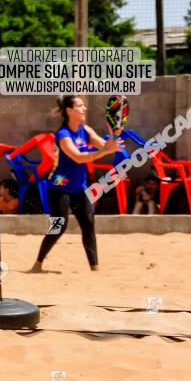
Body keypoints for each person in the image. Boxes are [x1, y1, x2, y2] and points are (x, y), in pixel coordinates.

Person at [29, 96, 122, 273]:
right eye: (80, 106)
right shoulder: (63, 135)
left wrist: (112, 129)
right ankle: (38, 264)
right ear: (69, 111)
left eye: (84, 105)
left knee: (88, 224)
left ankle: (95, 268)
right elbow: (79, 158)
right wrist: (105, 150)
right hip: (59, 188)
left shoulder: (85, 130)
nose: (84, 108)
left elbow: (105, 145)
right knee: (59, 226)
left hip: (80, 187)